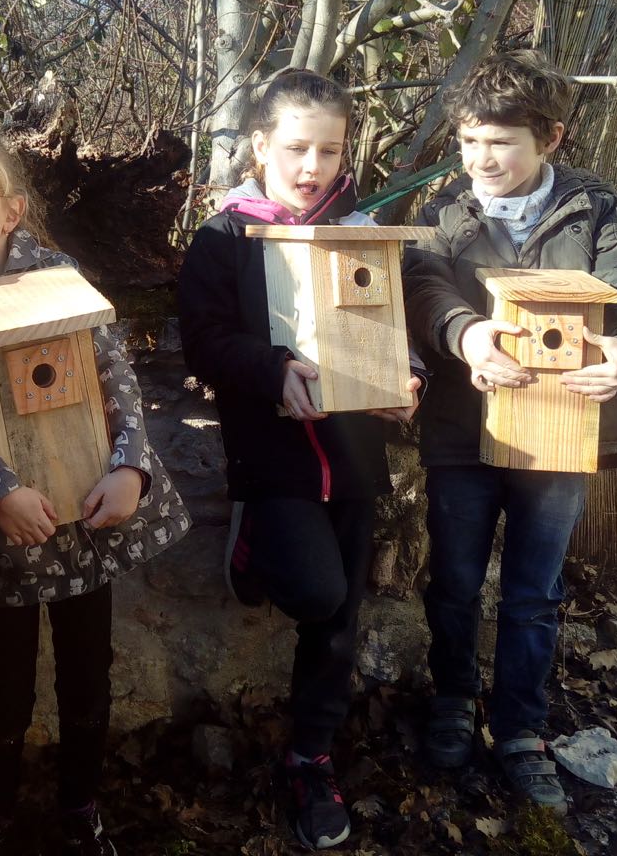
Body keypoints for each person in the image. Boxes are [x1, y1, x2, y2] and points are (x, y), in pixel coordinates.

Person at [0, 120, 191, 856]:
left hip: (85, 513)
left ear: (11, 209)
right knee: (4, 686)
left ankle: (81, 808)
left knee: (87, 676)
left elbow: (114, 378)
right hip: (5, 530)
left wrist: (129, 467)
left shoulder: (57, 277)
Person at [404, 49, 617, 813]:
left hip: (560, 429)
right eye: (468, 140)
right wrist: (465, 334)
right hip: (464, 429)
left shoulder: (594, 208)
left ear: (550, 138)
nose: (480, 159)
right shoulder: (446, 214)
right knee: (455, 579)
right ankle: (454, 700)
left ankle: (521, 728)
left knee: (534, 592)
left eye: (501, 142)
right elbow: (424, 285)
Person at [177, 69, 425, 851]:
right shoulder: (224, 238)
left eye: (329, 149)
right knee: (316, 594)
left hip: (354, 459)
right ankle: (250, 539)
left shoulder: (360, 232)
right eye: (295, 148)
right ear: (260, 146)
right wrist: (273, 369)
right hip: (273, 457)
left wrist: (406, 378)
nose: (312, 166)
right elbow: (204, 341)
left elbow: (396, 324)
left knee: (340, 622)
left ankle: (310, 759)